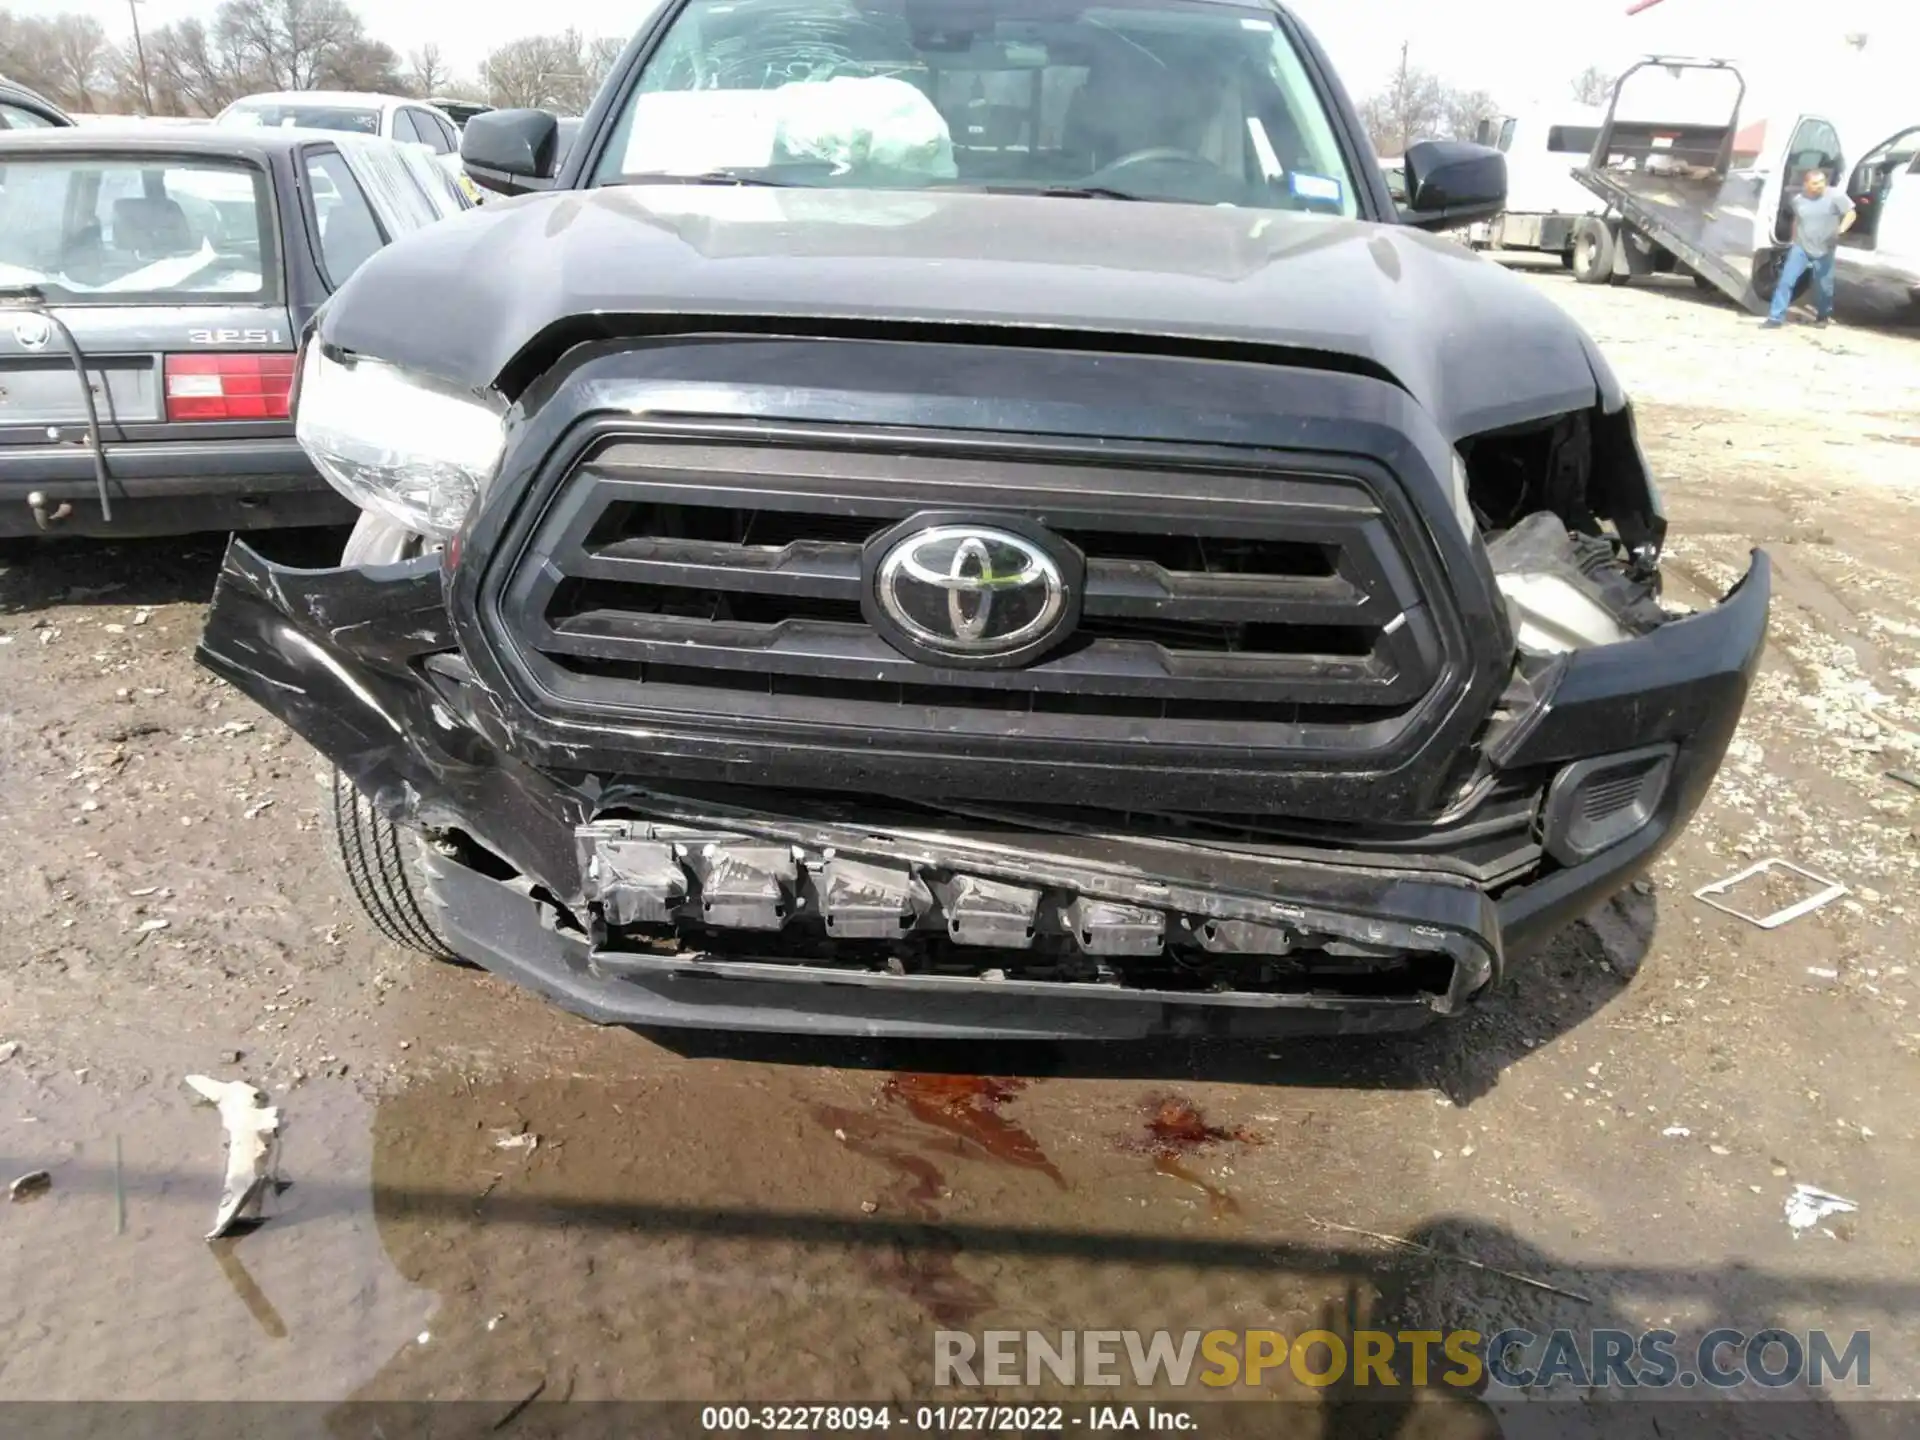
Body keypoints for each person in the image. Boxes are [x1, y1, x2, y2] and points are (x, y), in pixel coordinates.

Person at [1763, 169, 1856, 328]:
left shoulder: (1835, 196)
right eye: (1815, 183)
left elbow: (1851, 214)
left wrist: (1840, 230)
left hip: (1825, 248)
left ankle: (1823, 315)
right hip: (1801, 247)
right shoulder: (1798, 200)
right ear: (1806, 184)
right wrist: (1793, 240)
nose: (1820, 186)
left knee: (1824, 287)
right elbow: (1797, 220)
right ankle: (1775, 318)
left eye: (1822, 182)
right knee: (1786, 281)